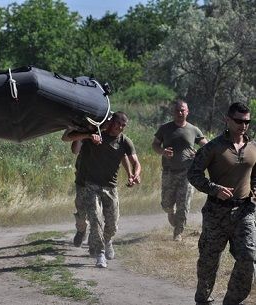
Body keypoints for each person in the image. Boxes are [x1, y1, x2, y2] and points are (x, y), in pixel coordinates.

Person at [188, 102, 256, 305]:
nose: (243, 125)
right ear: (227, 120)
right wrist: (214, 189)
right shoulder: (213, 147)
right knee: (209, 261)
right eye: (238, 121)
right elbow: (193, 174)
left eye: (247, 121)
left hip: (245, 211)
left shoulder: (253, 147)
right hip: (216, 212)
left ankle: (232, 300)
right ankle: (203, 298)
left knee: (248, 257)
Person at [62, 111, 141, 268]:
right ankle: (99, 253)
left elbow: (134, 161)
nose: (120, 127)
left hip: (111, 187)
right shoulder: (95, 134)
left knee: (112, 224)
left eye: (124, 125)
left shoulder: (125, 141)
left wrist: (134, 175)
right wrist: (88, 136)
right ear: (111, 122)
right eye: (118, 123)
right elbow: (68, 139)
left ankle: (108, 241)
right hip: (90, 184)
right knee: (95, 219)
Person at [152, 100, 207, 241]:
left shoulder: (194, 130)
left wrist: (199, 153)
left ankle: (178, 232)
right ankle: (170, 212)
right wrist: (163, 151)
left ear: (187, 112)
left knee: (184, 204)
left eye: (183, 110)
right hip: (169, 172)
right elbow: (155, 145)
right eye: (177, 110)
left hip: (187, 173)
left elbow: (207, 146)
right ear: (173, 112)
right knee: (166, 204)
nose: (180, 113)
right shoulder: (165, 128)